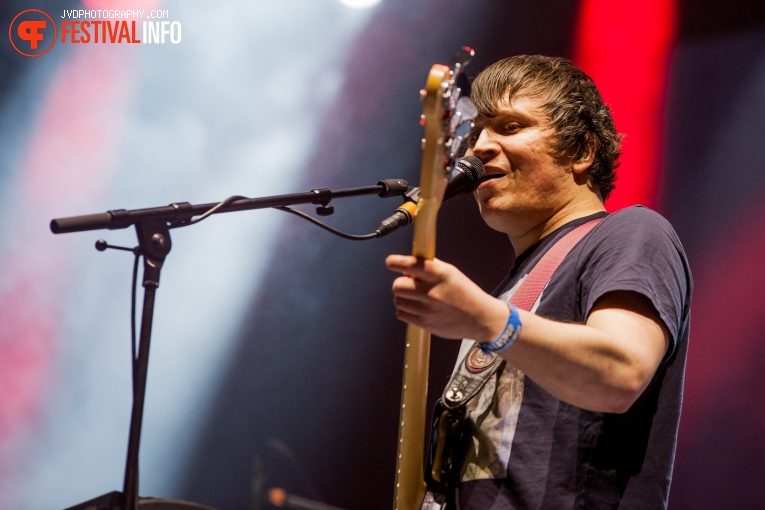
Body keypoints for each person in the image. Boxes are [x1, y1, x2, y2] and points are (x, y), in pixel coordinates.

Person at [386, 55, 692, 509]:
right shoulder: (510, 287)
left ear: (582, 152)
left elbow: (620, 373)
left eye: (509, 127)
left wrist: (489, 321)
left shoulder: (632, 233)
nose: (480, 148)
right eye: (476, 133)